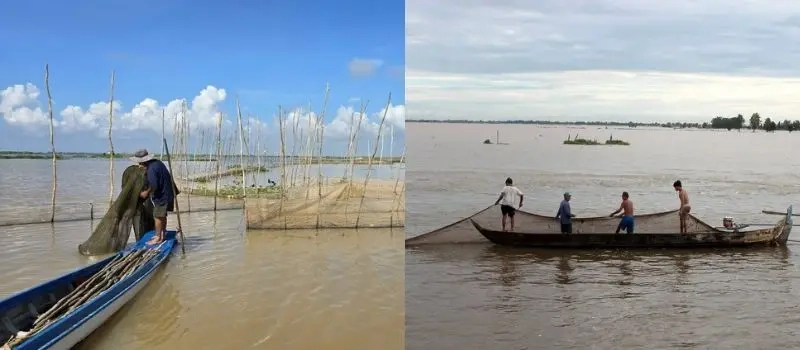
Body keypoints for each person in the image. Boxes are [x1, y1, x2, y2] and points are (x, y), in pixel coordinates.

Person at [131, 149, 176, 245]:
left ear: (143, 161)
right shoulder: (157, 162)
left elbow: (154, 185)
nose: (139, 164)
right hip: (168, 193)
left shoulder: (151, 169)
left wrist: (145, 193)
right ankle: (162, 234)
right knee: (162, 215)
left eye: (139, 162)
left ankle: (158, 238)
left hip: (162, 196)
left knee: (157, 216)